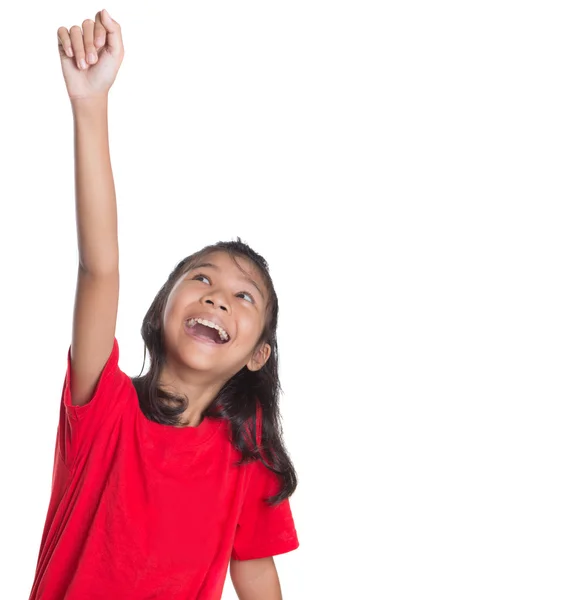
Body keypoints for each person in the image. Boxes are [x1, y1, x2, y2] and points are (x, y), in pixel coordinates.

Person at [28, 9, 299, 600]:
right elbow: (99, 267)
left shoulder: (246, 453)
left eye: (243, 296)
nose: (217, 298)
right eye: (201, 279)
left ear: (258, 355)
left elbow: (254, 571)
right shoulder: (104, 407)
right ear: (160, 311)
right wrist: (90, 106)